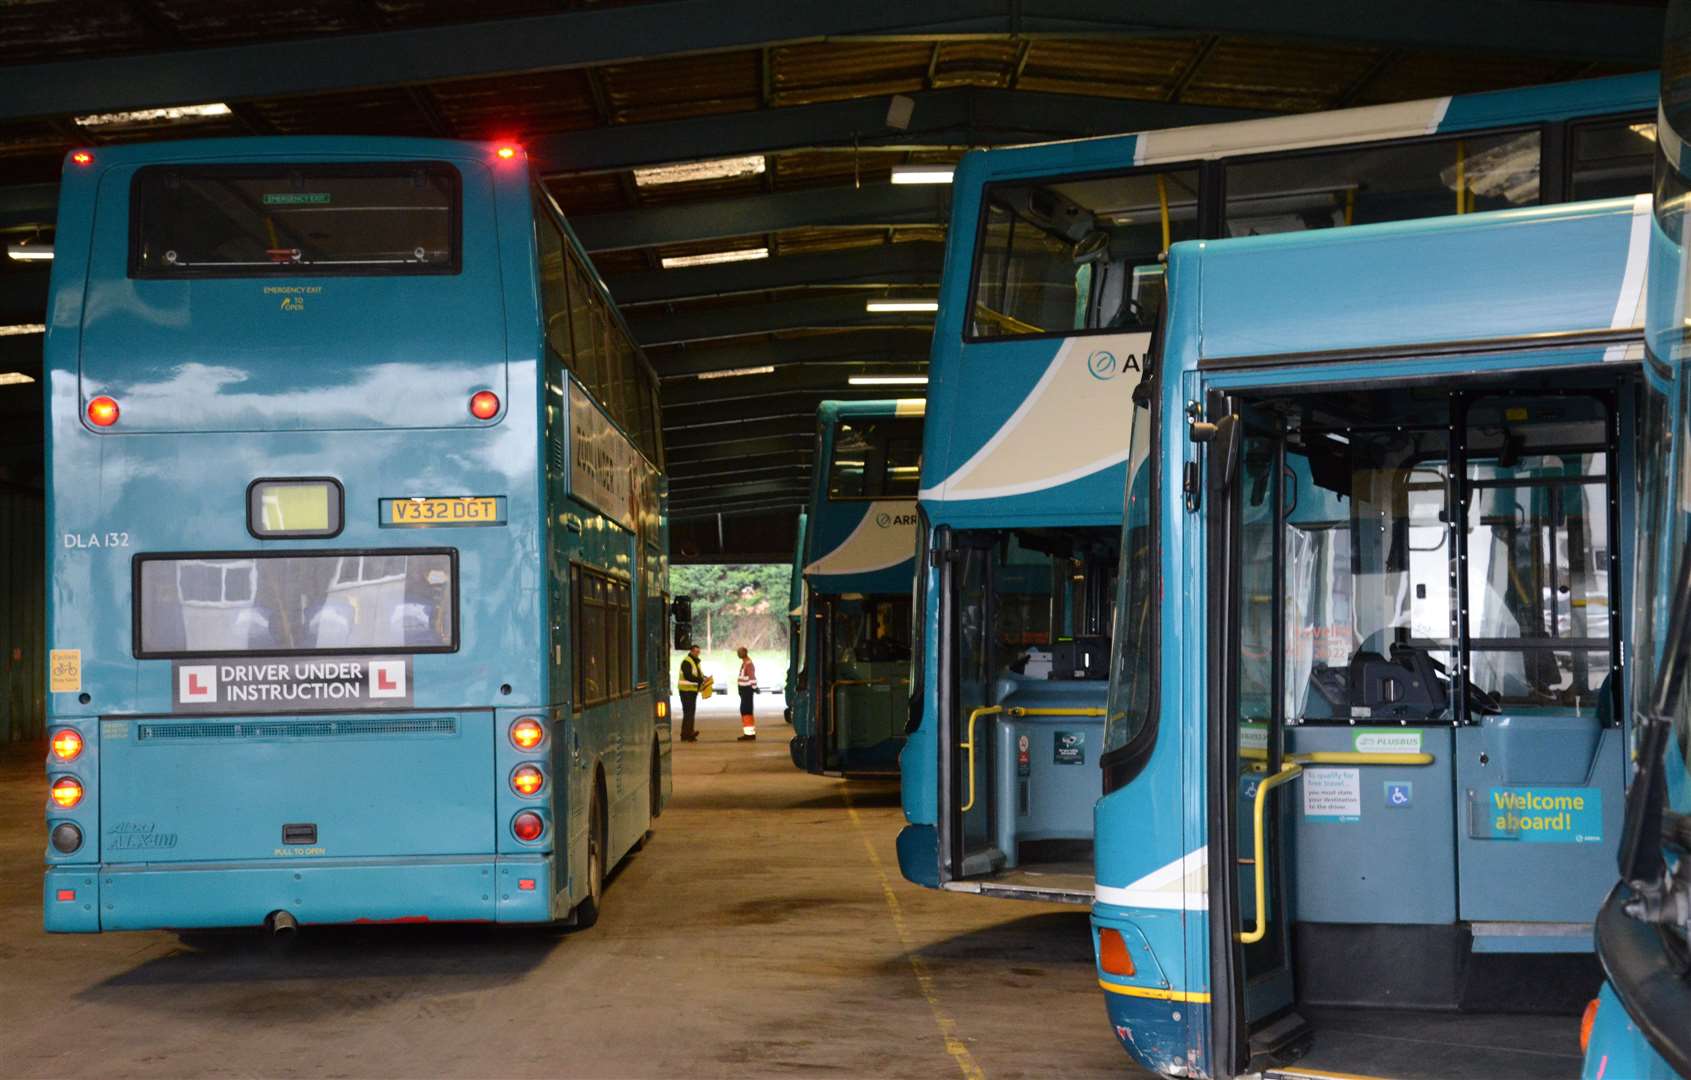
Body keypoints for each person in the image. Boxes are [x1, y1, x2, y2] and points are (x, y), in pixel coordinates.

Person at [678, 645, 704, 742]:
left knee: (689, 713)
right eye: (696, 651)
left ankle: (686, 733)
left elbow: (697, 675)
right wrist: (700, 679)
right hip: (686, 691)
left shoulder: (695, 662)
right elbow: (688, 676)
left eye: (698, 652)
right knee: (689, 712)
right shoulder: (687, 661)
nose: (697, 653)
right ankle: (688, 733)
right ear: (691, 651)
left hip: (692, 691)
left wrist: (703, 678)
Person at [736, 646, 757, 741]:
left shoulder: (748, 664)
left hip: (747, 690)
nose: (738, 654)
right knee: (746, 710)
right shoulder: (745, 663)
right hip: (744, 690)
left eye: (739, 652)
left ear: (745, 653)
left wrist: (754, 687)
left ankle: (749, 734)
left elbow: (752, 677)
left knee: (746, 710)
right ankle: (750, 733)